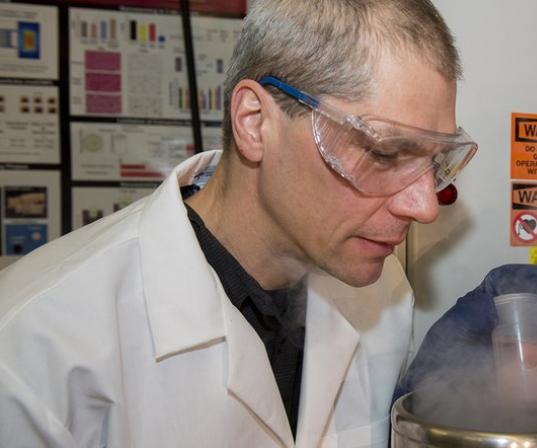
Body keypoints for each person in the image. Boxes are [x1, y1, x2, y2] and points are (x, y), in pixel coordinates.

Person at [0, 0, 477, 446]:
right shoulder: (35, 344)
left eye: (434, 163)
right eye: (386, 152)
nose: (424, 207)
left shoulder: (382, 290)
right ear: (255, 122)